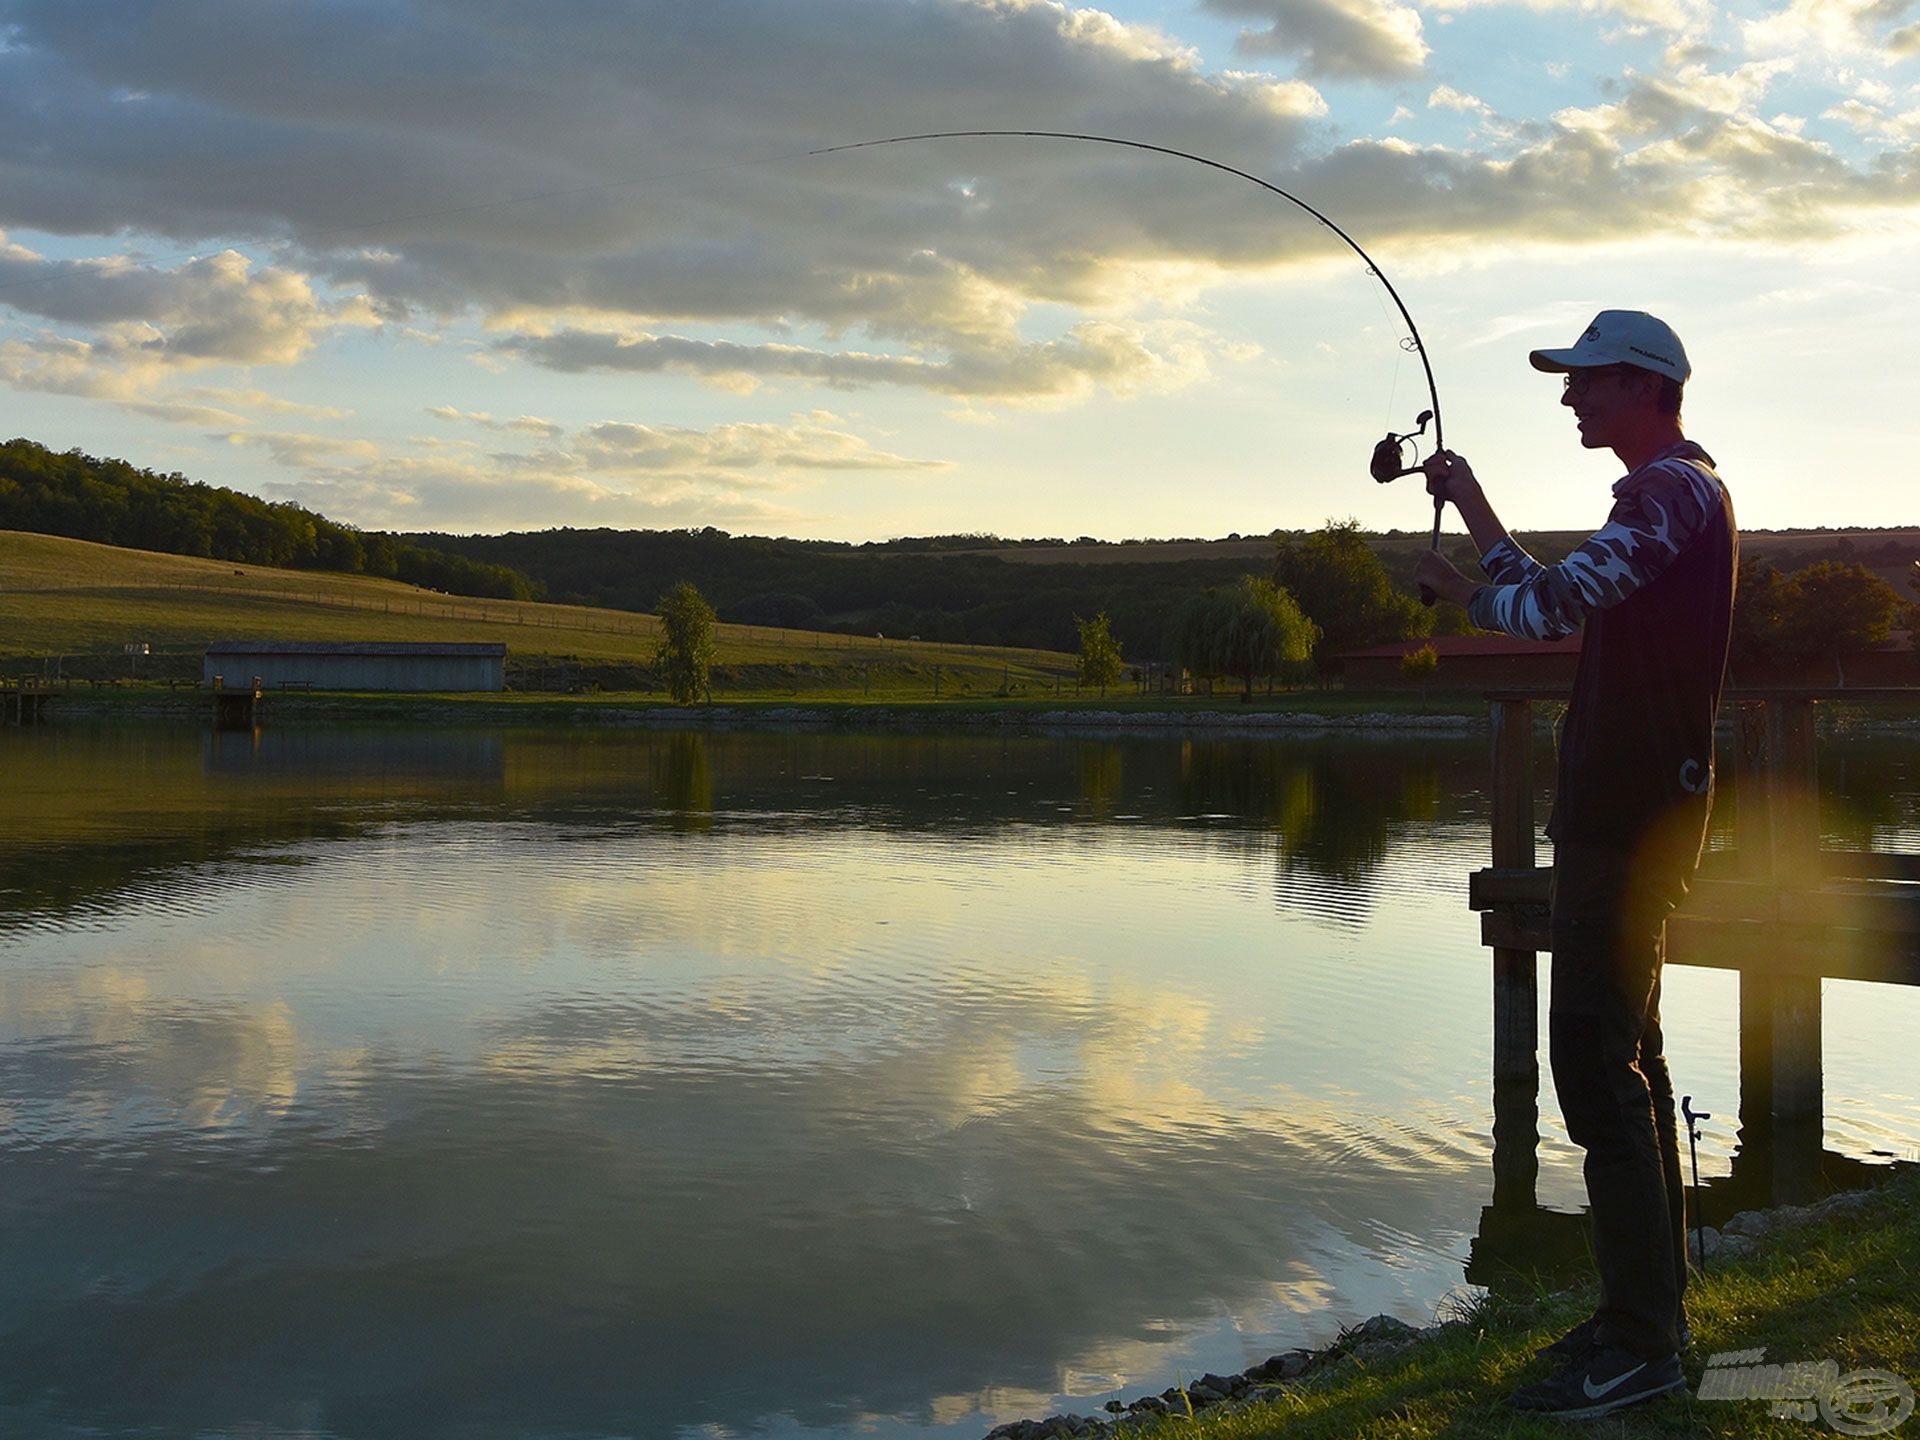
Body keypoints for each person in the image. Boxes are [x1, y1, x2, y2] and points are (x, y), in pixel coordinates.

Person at [1413, 310, 1738, 1419]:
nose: (1570, 401)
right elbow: (1566, 583)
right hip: (1624, 813)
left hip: (1631, 816)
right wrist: (1475, 509)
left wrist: (1464, 594)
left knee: (1598, 1068)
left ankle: (1643, 1342)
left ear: (1644, 386)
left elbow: (1552, 605)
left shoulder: (1672, 493)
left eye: (1586, 384)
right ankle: (1641, 1319)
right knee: (1625, 1058)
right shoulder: (1662, 498)